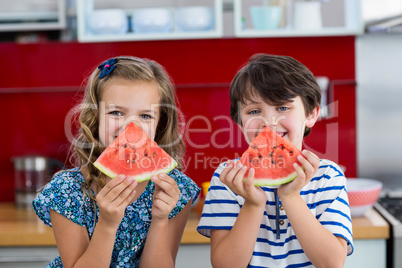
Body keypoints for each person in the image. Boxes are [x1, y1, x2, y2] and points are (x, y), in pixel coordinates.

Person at [33, 56, 200, 268]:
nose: (131, 126)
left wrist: (159, 220)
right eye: (116, 112)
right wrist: (108, 224)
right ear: (95, 118)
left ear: (160, 124)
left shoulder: (175, 190)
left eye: (146, 116)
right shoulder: (67, 191)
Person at [197, 54, 353, 268]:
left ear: (311, 114)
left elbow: (331, 263)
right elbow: (225, 265)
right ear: (240, 123)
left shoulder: (328, 177)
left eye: (282, 108)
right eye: (253, 111)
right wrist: (253, 203)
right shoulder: (229, 179)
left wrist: (290, 197)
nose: (269, 123)